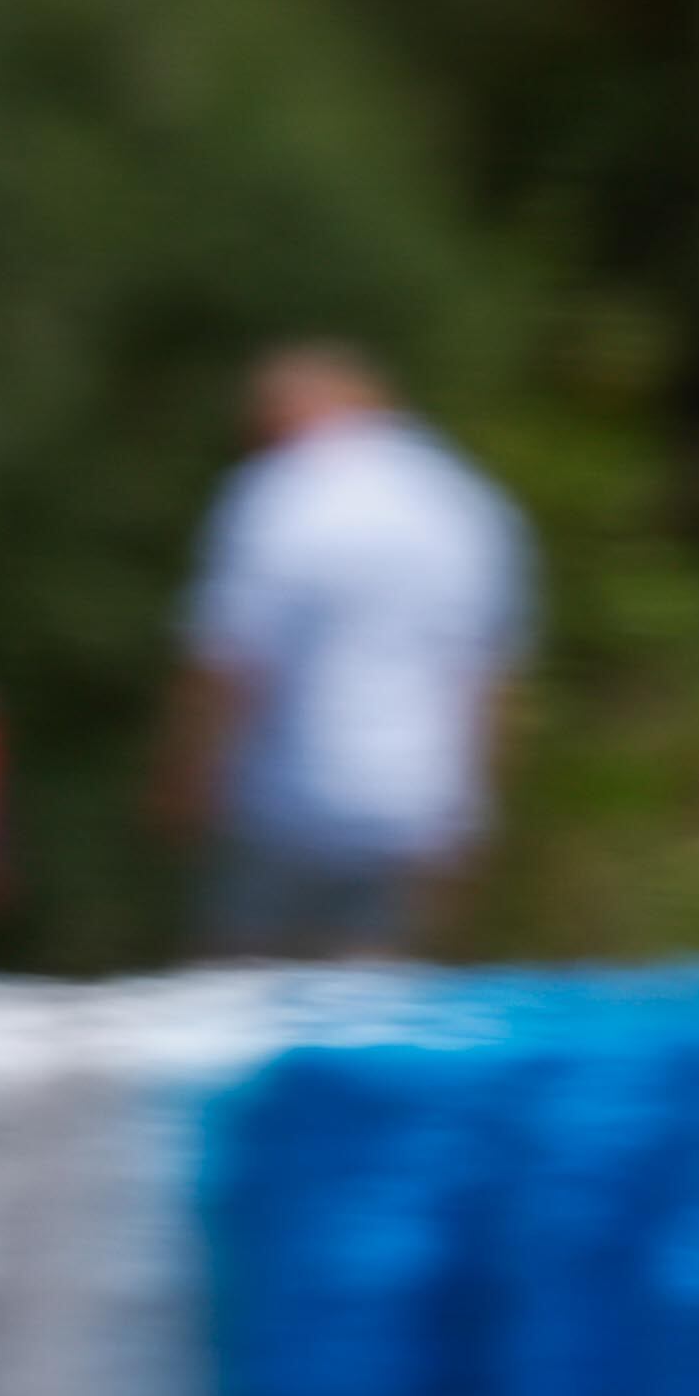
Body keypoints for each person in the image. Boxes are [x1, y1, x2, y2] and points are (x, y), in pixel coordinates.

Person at [161, 343, 534, 960]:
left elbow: (225, 662)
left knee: (240, 1007)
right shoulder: (467, 504)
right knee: (373, 1020)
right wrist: (473, 821)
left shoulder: (279, 490)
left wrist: (185, 779)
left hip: (280, 808)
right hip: (415, 815)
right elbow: (488, 685)